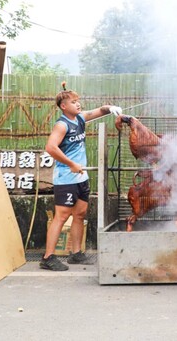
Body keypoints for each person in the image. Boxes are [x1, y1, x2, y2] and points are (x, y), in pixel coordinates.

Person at [40, 82, 122, 271]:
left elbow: (99, 111)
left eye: (78, 101)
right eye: (74, 102)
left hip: (81, 178)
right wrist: (71, 164)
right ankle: (47, 257)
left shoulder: (81, 119)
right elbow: (50, 148)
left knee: (80, 214)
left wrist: (111, 109)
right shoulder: (62, 125)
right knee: (61, 216)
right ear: (63, 106)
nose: (78, 104)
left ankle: (76, 254)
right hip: (66, 178)